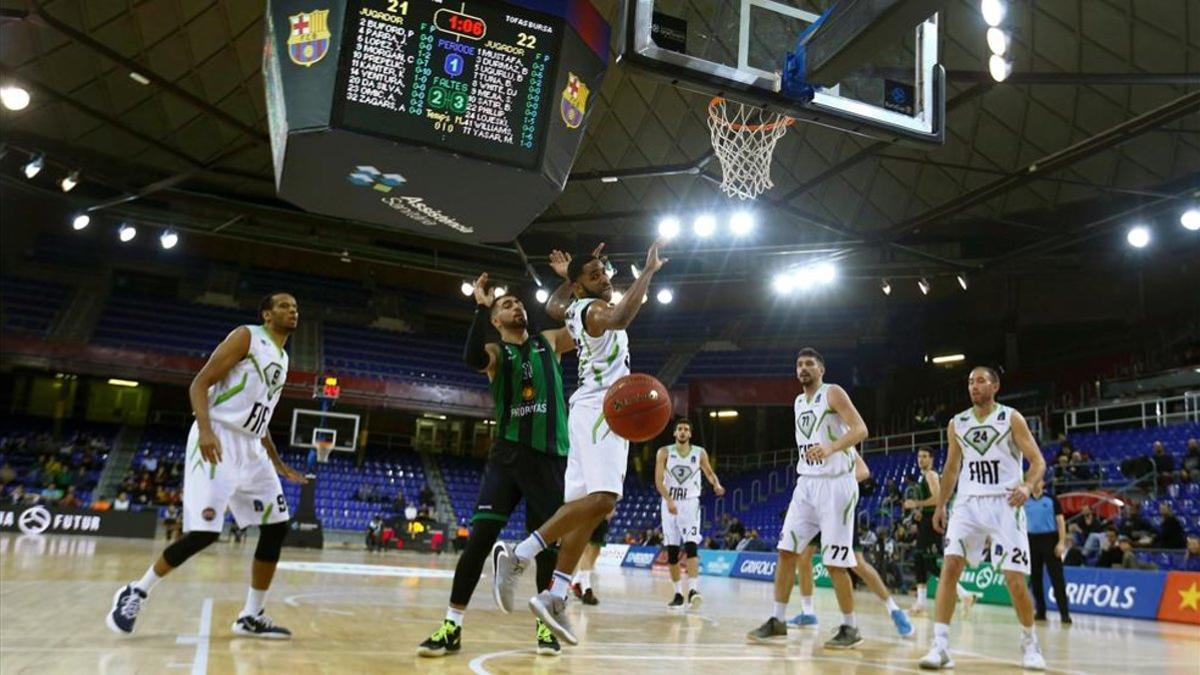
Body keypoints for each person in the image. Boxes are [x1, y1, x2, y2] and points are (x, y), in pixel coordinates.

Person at [492, 241, 666, 647]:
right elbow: (622, 316)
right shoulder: (591, 311)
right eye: (594, 276)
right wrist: (649, 272)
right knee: (605, 501)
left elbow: (554, 306)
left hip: (589, 409)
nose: (605, 279)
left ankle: (554, 594)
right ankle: (520, 555)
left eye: (604, 272)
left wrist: (568, 277)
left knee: (583, 514)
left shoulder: (570, 309)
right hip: (605, 411)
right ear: (582, 288)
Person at [107, 292, 307, 639]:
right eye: (284, 306)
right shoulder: (247, 336)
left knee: (276, 527)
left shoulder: (284, 357)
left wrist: (277, 462)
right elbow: (199, 383)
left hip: (252, 448)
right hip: (219, 437)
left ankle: (251, 614)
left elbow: (260, 419)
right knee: (204, 533)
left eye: (295, 308)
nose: (293, 311)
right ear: (266, 313)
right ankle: (136, 591)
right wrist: (205, 429)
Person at [417, 276, 575, 658]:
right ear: (495, 320)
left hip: (549, 456)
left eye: (519, 303)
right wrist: (478, 305)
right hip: (507, 456)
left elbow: (587, 327)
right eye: (506, 306)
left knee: (547, 549)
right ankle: (451, 627)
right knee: (480, 540)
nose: (516, 307)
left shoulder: (549, 341)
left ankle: (544, 626)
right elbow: (471, 359)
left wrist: (573, 283)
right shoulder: (494, 352)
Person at [918, 366, 1047, 671]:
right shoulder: (957, 423)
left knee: (1014, 580)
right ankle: (941, 645)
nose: (974, 386)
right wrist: (941, 505)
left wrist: (1028, 486)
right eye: (970, 382)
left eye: (980, 381)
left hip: (1005, 502)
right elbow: (950, 469)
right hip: (968, 504)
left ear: (995, 386)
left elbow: (1038, 460)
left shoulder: (1010, 418)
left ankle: (1030, 643)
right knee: (950, 567)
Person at [747, 347, 870, 649]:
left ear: (821, 369)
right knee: (787, 550)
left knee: (835, 562)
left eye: (809, 364)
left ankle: (850, 627)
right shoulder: (799, 401)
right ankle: (777, 620)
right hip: (806, 484)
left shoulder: (833, 393)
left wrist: (831, 448)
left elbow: (860, 429)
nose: (803, 368)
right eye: (799, 364)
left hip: (836, 484)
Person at [790, 453, 914, 638]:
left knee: (856, 563)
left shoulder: (840, 439)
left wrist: (837, 483)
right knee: (803, 556)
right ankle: (808, 613)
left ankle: (894, 610)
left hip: (839, 505)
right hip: (816, 505)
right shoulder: (811, 442)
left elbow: (864, 472)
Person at [656, 417, 724, 609]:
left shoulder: (699, 452)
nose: (683, 432)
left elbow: (709, 472)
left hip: (690, 503)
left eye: (686, 429)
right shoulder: (664, 452)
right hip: (669, 503)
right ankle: (678, 593)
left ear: (690, 433)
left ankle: (693, 589)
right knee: (672, 551)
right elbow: (659, 481)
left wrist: (716, 484)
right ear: (675, 433)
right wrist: (668, 499)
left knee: (691, 545)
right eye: (680, 429)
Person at [1024, 480, 1071, 623]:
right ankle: (1041, 611)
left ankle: (1064, 613)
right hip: (1031, 540)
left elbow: (1060, 522)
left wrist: (1061, 542)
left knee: (1057, 578)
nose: (1036, 484)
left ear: (1043, 483)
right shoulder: (1025, 501)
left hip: (1050, 539)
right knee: (1035, 579)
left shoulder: (1051, 500)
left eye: (1038, 481)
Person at [905, 446, 942, 615]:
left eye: (925, 456)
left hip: (932, 523)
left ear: (932, 459)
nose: (921, 459)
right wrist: (920, 513)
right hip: (925, 521)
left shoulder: (931, 475)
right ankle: (920, 603)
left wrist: (916, 504)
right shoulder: (923, 476)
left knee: (928, 562)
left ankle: (964, 593)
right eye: (919, 456)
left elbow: (938, 498)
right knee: (919, 560)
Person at [572, 512, 613, 606]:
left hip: (603, 518)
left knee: (595, 552)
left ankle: (576, 582)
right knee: (586, 551)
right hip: (588, 514)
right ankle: (586, 589)